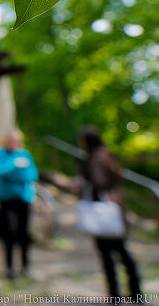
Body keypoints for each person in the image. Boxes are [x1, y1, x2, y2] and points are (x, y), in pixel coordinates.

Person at [78, 126, 141, 299]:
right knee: (122, 251)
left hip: (104, 213)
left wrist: (84, 183)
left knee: (109, 254)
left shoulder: (95, 158)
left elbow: (99, 182)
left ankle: (115, 294)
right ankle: (135, 291)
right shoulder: (106, 154)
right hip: (115, 208)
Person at [0, 129, 38, 279]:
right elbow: (0, 171)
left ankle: (25, 265)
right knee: (9, 232)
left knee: (24, 232)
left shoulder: (24, 154)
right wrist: (14, 164)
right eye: (10, 140)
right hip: (6, 199)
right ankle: (9, 267)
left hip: (23, 198)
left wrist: (17, 175)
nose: (13, 143)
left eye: (15, 141)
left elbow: (32, 174)